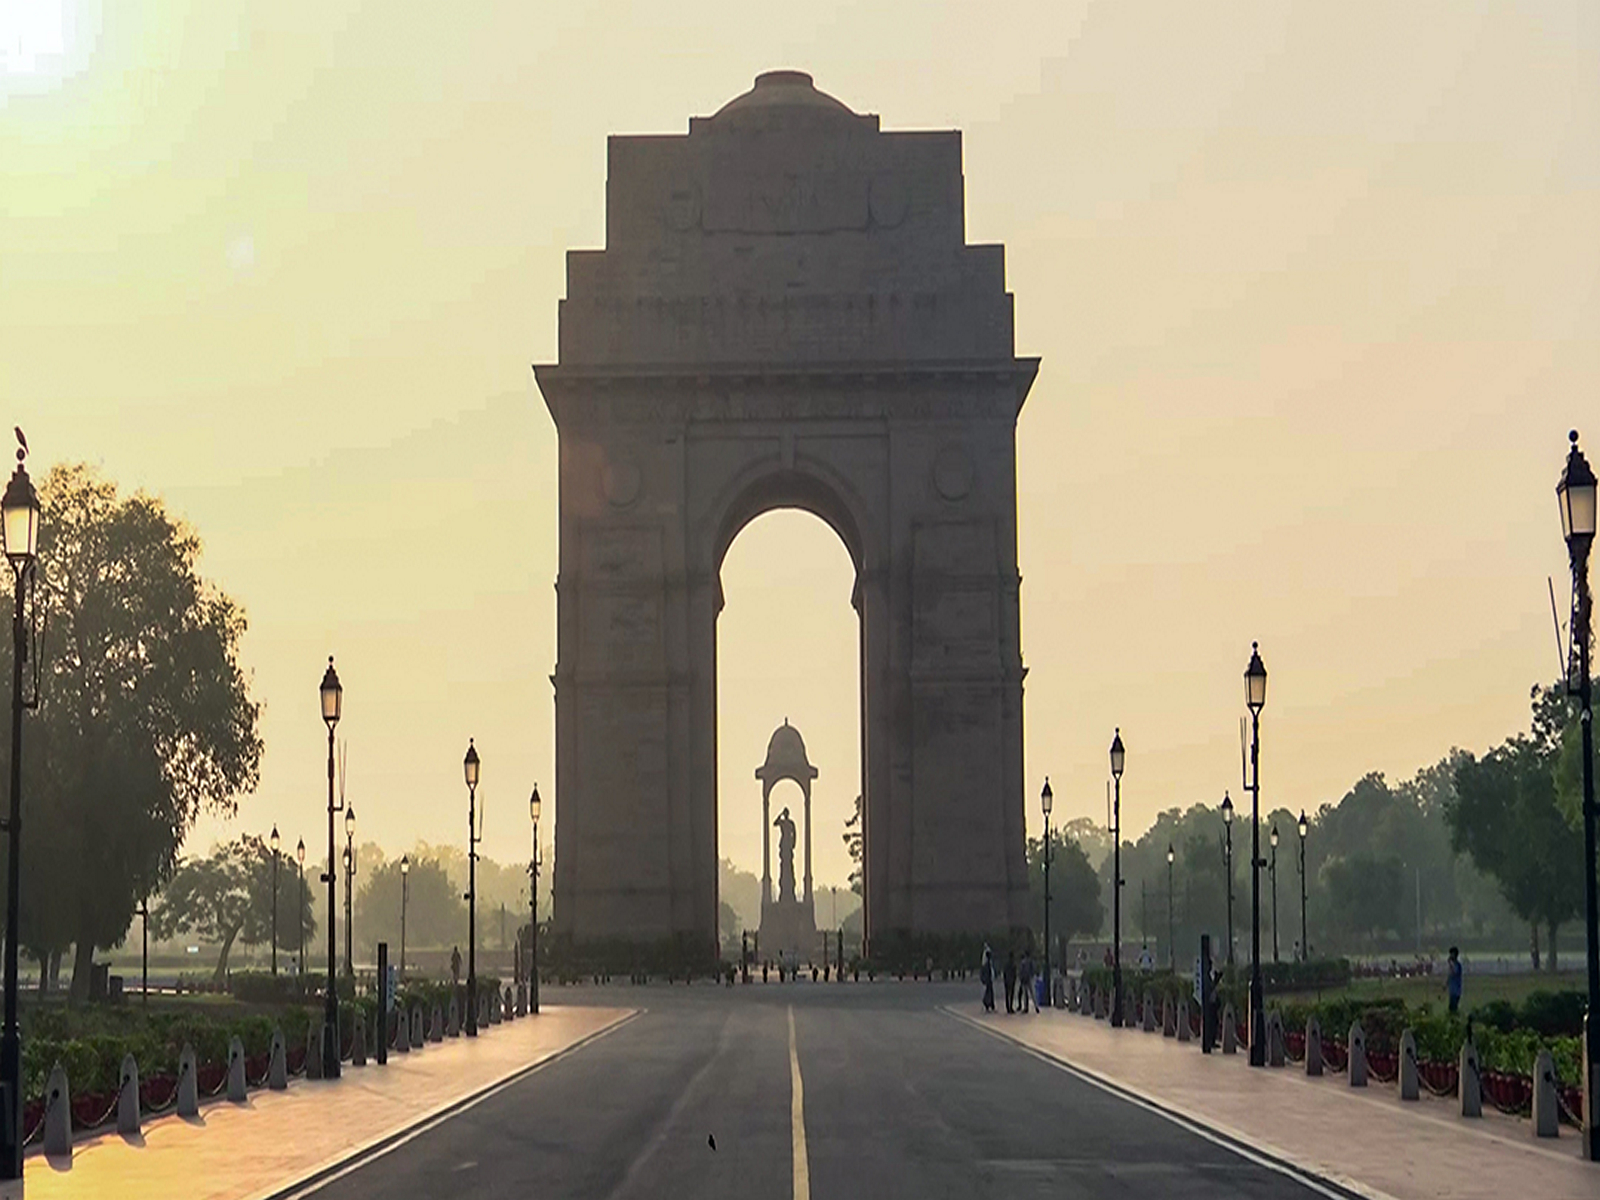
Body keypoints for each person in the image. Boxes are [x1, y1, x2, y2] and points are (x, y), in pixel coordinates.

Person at [1446, 946, 1463, 1014]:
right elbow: (1450, 976)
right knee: (1451, 1008)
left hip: (1456, 991)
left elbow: (1454, 972)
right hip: (1452, 990)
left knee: (1453, 1009)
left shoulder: (1457, 965)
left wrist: (1450, 964)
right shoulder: (1452, 965)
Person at [980, 946, 995, 1012]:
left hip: (988, 980)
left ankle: (990, 1005)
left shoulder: (986, 963)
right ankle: (988, 1004)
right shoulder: (987, 964)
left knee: (989, 993)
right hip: (988, 980)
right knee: (989, 993)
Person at [1002, 951, 1018, 1015]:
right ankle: (1010, 1007)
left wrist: (1005, 979)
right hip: (1011, 981)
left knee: (1007, 994)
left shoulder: (1006, 964)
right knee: (1011, 995)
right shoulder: (1013, 965)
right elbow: (1014, 974)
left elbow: (1004, 973)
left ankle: (1008, 1007)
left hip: (1007, 980)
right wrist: (1014, 979)